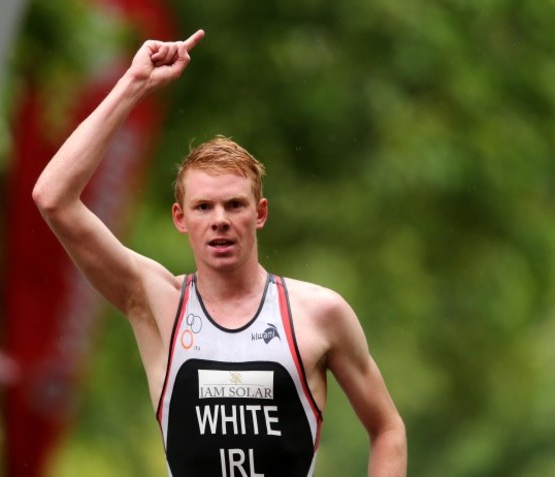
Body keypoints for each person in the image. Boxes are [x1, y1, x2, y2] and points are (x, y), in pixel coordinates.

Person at [32, 30, 407, 477]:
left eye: (234, 205)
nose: (220, 220)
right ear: (180, 218)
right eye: (203, 207)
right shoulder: (157, 303)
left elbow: (387, 429)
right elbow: (53, 197)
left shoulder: (318, 314)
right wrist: (134, 84)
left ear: (260, 213)